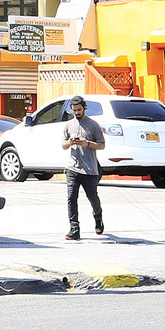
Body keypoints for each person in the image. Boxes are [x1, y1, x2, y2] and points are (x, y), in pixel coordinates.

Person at [62, 97, 106, 240]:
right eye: (74, 110)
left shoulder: (93, 125)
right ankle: (74, 228)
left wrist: (86, 143)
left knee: (92, 197)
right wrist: (69, 142)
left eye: (79, 110)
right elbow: (63, 145)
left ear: (84, 108)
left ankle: (98, 217)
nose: (77, 113)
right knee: (71, 197)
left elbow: (102, 145)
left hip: (89, 169)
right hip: (72, 168)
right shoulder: (69, 125)